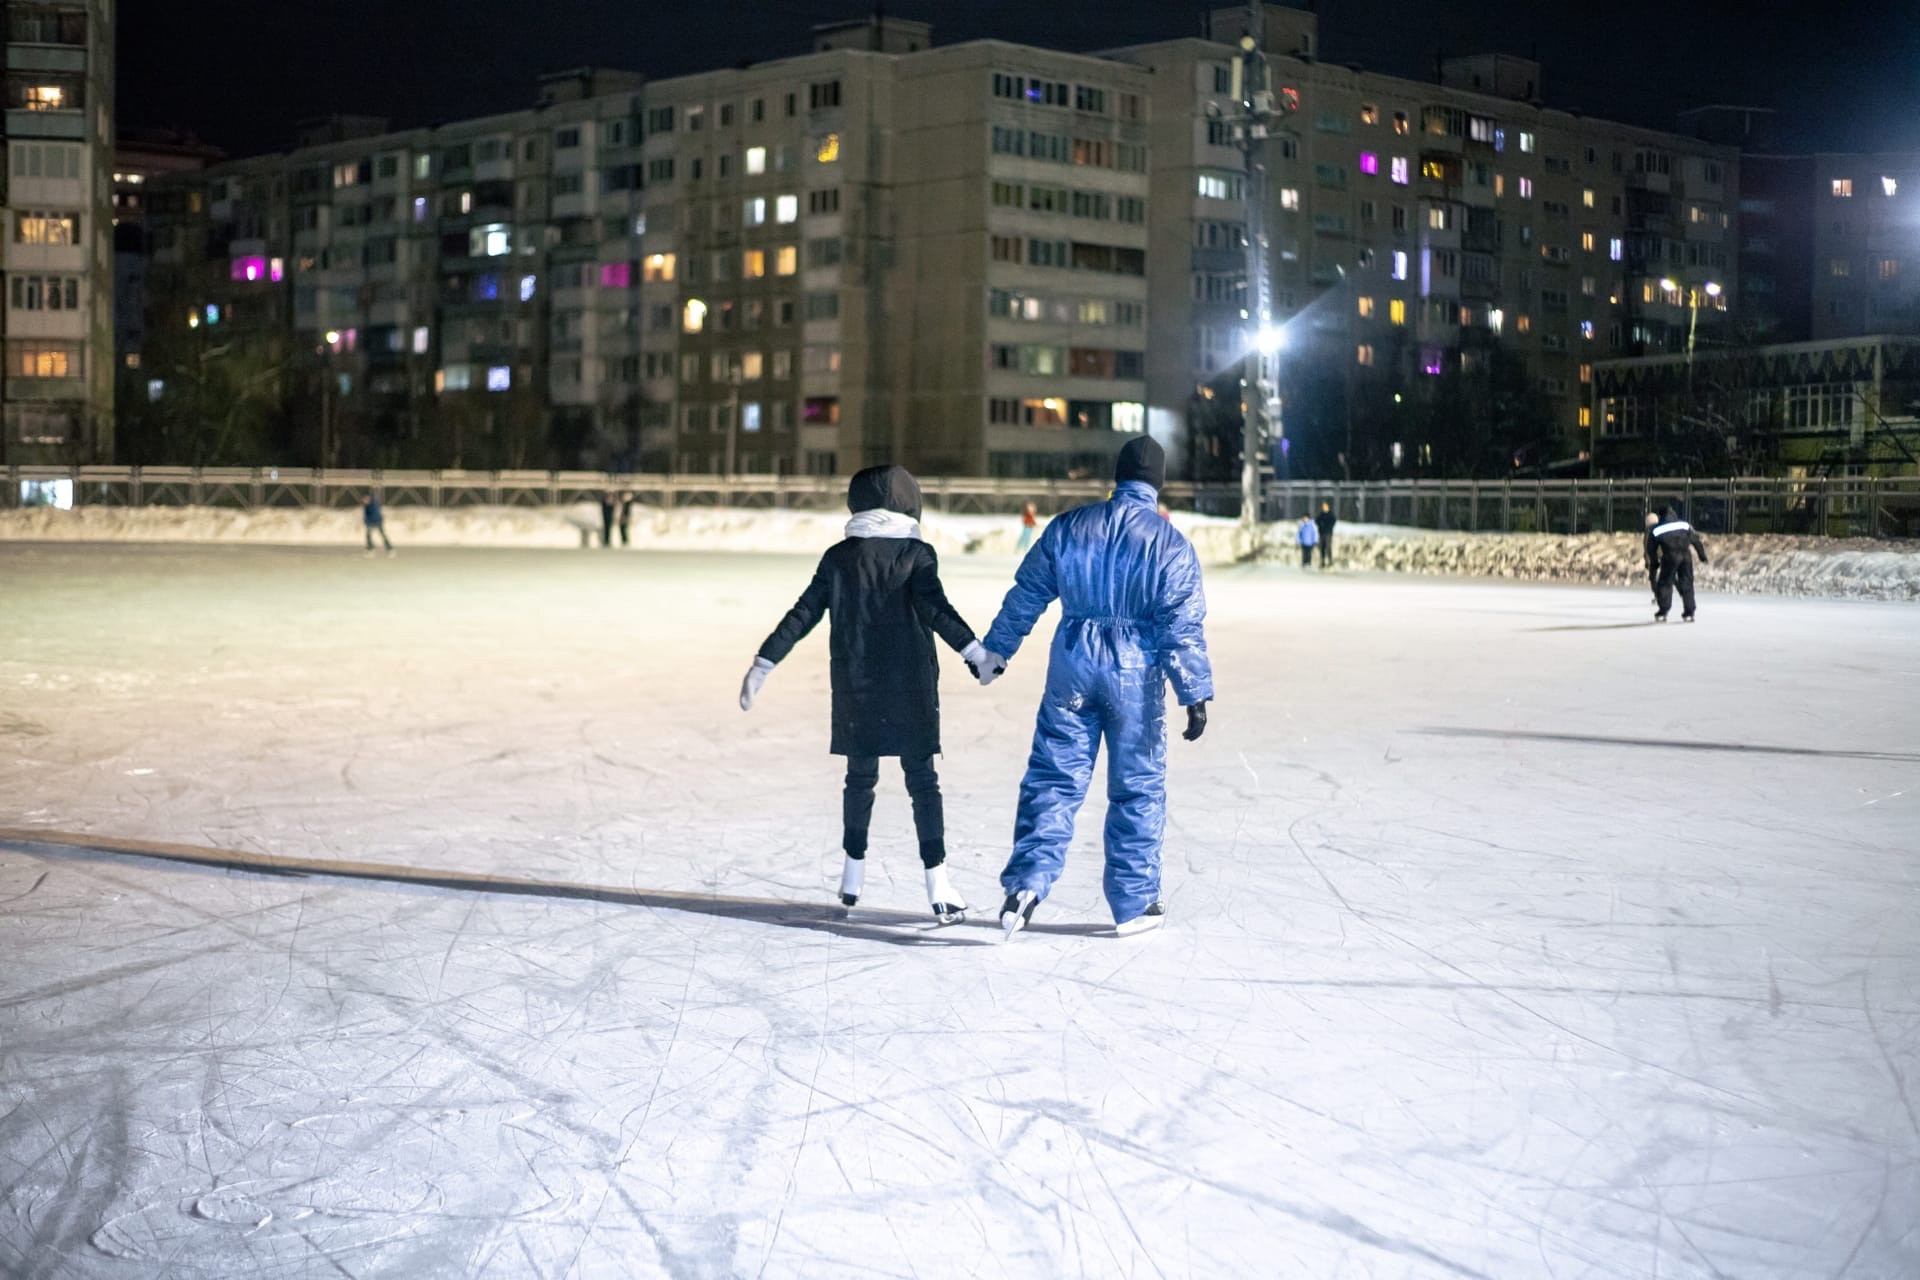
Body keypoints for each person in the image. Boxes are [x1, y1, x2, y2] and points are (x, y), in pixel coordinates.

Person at [974, 436, 1212, 938]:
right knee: (1138, 786)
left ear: (1117, 475)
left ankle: (1026, 886)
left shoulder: (1068, 528)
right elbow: (1181, 625)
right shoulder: (1169, 543)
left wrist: (997, 650)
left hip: (1073, 667)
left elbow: (1028, 594)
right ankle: (1135, 901)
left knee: (1054, 777)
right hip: (1135, 675)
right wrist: (1193, 691)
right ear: (1158, 482)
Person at [739, 465, 996, 924]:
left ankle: (851, 874)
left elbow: (803, 614)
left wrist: (766, 660)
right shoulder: (917, 554)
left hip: (857, 685)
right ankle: (939, 886)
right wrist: (974, 652)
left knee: (860, 778)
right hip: (911, 685)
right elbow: (935, 608)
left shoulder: (839, 557)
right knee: (922, 782)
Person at [1647, 502, 1710, 622]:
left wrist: (1654, 563)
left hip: (1670, 556)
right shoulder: (1684, 525)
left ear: (1660, 516)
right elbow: (1696, 540)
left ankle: (1663, 610)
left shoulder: (1657, 529)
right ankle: (1689, 612)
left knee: (1665, 583)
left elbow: (1651, 549)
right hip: (1686, 556)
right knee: (1687, 583)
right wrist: (1702, 556)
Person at [361, 492, 394, 557]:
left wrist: (369, 522)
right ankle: (370, 549)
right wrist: (366, 521)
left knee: (382, 534)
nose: (364, 501)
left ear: (368, 499)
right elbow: (366, 515)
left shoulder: (374, 505)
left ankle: (390, 548)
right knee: (368, 535)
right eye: (363, 500)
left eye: (365, 500)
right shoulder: (366, 506)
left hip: (377, 522)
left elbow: (375, 515)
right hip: (371, 522)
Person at [1313, 501, 1337, 569]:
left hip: (1328, 533)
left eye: (1325, 506)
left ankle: (1330, 561)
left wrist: (1327, 526)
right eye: (1323, 506)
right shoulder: (1321, 514)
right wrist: (1320, 525)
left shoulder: (1331, 515)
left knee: (1328, 547)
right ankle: (1322, 561)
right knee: (1322, 547)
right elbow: (1316, 521)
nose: (1324, 508)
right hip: (1322, 533)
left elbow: (1333, 522)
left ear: (1328, 507)